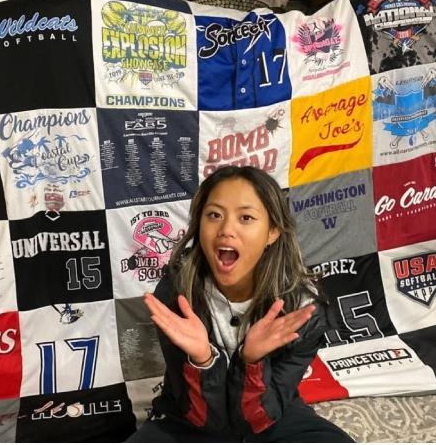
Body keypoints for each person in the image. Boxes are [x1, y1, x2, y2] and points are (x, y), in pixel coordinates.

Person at [129, 166, 354, 442]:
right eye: (214, 215)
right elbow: (202, 417)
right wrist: (202, 360)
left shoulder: (302, 306)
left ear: (272, 231)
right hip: (188, 414)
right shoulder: (178, 290)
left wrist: (252, 362)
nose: (226, 230)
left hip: (269, 412)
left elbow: (261, 415)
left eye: (246, 217)